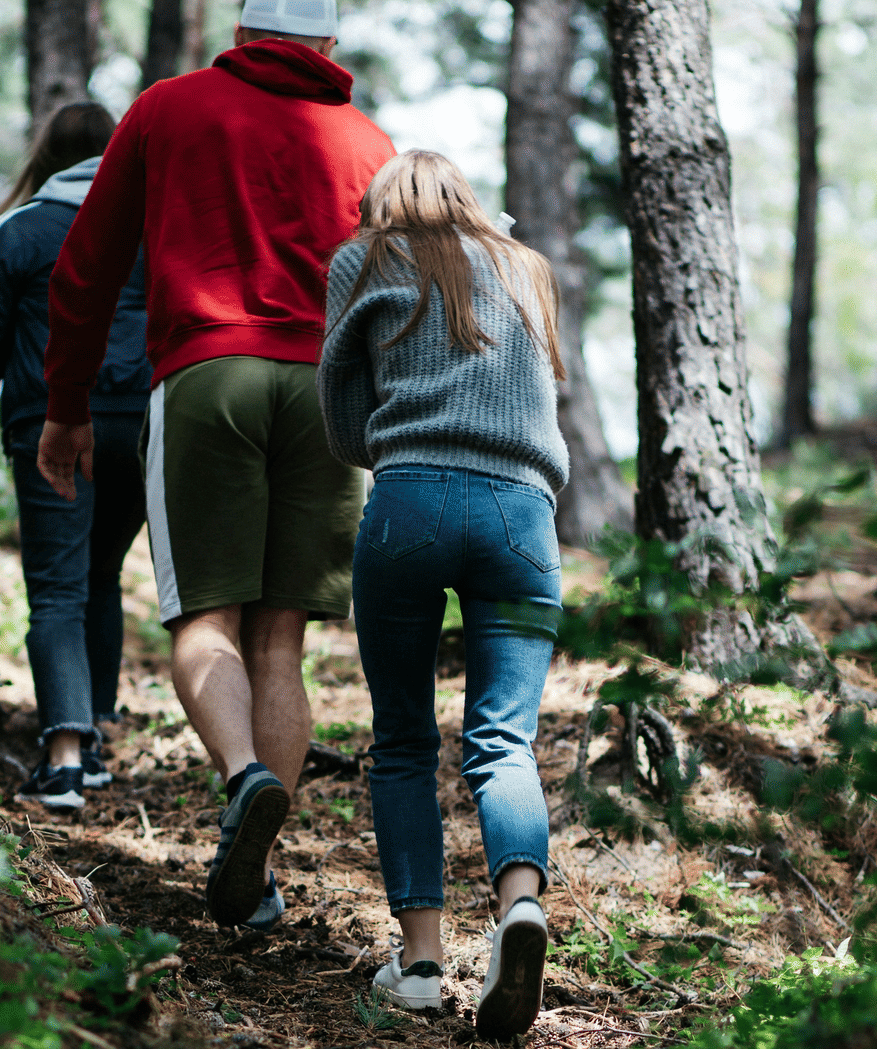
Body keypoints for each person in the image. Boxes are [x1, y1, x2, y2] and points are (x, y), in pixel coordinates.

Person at [35, 0, 396, 931]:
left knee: (206, 620)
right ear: (327, 42)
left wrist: (67, 406)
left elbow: (87, 265)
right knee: (281, 638)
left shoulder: (167, 108)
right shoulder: (370, 142)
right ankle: (260, 872)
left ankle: (245, 780)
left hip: (206, 375)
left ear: (243, 31)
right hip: (326, 390)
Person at [317, 150, 568, 1038]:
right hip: (524, 517)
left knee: (403, 743)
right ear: (469, 198)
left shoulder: (365, 259)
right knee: (505, 739)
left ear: (382, 203)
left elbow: (343, 419)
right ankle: (520, 910)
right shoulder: (525, 265)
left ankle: (421, 965)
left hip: (411, 499)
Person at [0, 101, 152, 814]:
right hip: (141, 424)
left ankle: (64, 759)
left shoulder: (24, 231)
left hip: (52, 425)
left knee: (60, 587)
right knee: (101, 573)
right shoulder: (148, 227)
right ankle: (93, 738)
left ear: (45, 157)